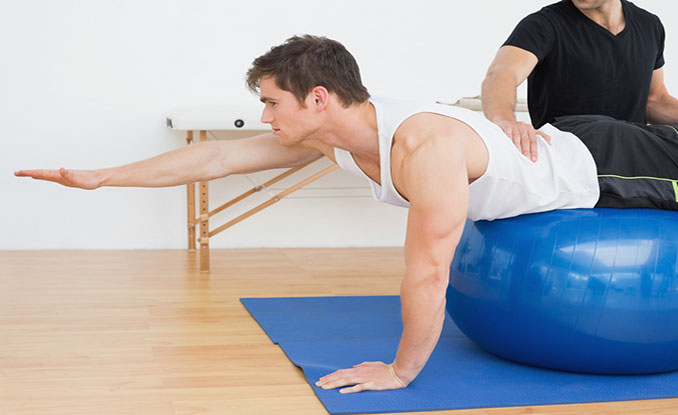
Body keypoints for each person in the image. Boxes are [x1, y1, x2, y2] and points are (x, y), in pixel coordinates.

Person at [14, 35, 678, 393]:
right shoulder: (336, 134)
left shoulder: (423, 148)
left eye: (273, 103)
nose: (266, 118)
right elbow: (215, 161)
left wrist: (401, 370)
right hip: (579, 149)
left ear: (319, 98)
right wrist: (102, 178)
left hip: (605, 162)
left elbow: (426, 273)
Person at [481, 0, 678, 162]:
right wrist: (504, 120)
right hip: (571, 160)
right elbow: (502, 73)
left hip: (630, 162)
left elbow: (655, 100)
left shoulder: (650, 25)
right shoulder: (542, 25)